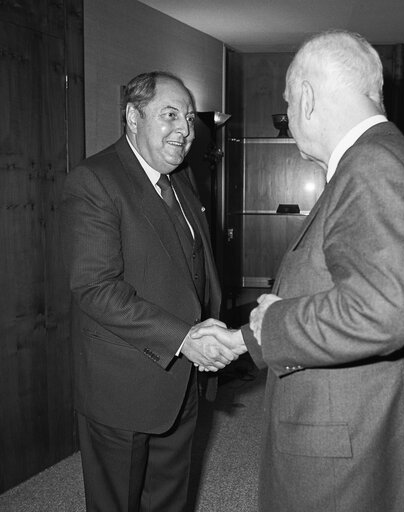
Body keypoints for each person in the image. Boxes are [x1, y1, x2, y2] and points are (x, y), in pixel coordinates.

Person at [195, 30, 404, 511]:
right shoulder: (396, 159)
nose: (288, 118)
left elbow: (381, 312)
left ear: (308, 98)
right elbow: (332, 291)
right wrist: (245, 341)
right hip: (376, 425)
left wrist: (271, 323)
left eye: (288, 104)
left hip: (349, 451)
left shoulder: (371, 166)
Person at [60, 71, 244, 512]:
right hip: (120, 384)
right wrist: (184, 339)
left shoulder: (179, 178)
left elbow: (190, 268)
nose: (185, 129)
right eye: (170, 115)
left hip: (182, 380)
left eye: (188, 117)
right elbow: (95, 287)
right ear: (132, 117)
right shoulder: (94, 180)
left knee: (170, 497)